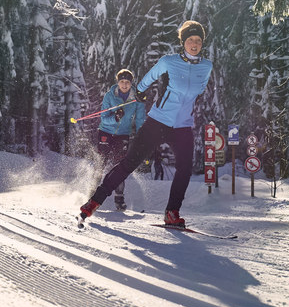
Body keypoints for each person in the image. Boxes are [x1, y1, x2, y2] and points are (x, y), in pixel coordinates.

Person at [80, 21, 213, 227]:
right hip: (158, 121)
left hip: (183, 125)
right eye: (190, 40)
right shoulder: (169, 61)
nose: (194, 44)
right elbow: (147, 78)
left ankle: (172, 212)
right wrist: (141, 91)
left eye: (198, 40)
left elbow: (201, 88)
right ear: (183, 42)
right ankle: (94, 201)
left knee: (185, 168)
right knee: (130, 163)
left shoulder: (206, 66)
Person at [95, 68, 146, 211]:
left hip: (123, 134)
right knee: (101, 163)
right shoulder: (109, 96)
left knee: (119, 167)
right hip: (106, 131)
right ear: (118, 82)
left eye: (127, 82)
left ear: (131, 83)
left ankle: (119, 199)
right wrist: (115, 117)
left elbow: (141, 118)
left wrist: (143, 134)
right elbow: (104, 118)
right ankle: (92, 196)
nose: (124, 85)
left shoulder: (136, 98)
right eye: (122, 82)